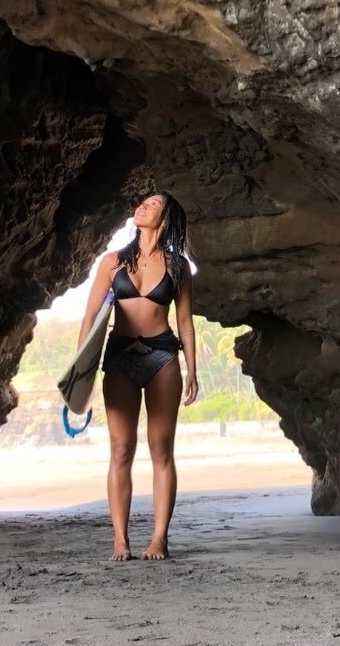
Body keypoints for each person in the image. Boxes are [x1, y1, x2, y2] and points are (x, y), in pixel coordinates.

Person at [77, 190, 198, 561]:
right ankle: (120, 539)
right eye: (143, 202)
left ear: (166, 217)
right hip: (119, 357)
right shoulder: (112, 262)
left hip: (163, 356)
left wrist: (192, 370)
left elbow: (185, 322)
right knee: (121, 448)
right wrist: (80, 371)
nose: (143, 206)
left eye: (154, 204)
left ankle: (159, 538)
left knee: (161, 448)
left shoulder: (178, 267)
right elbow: (91, 317)